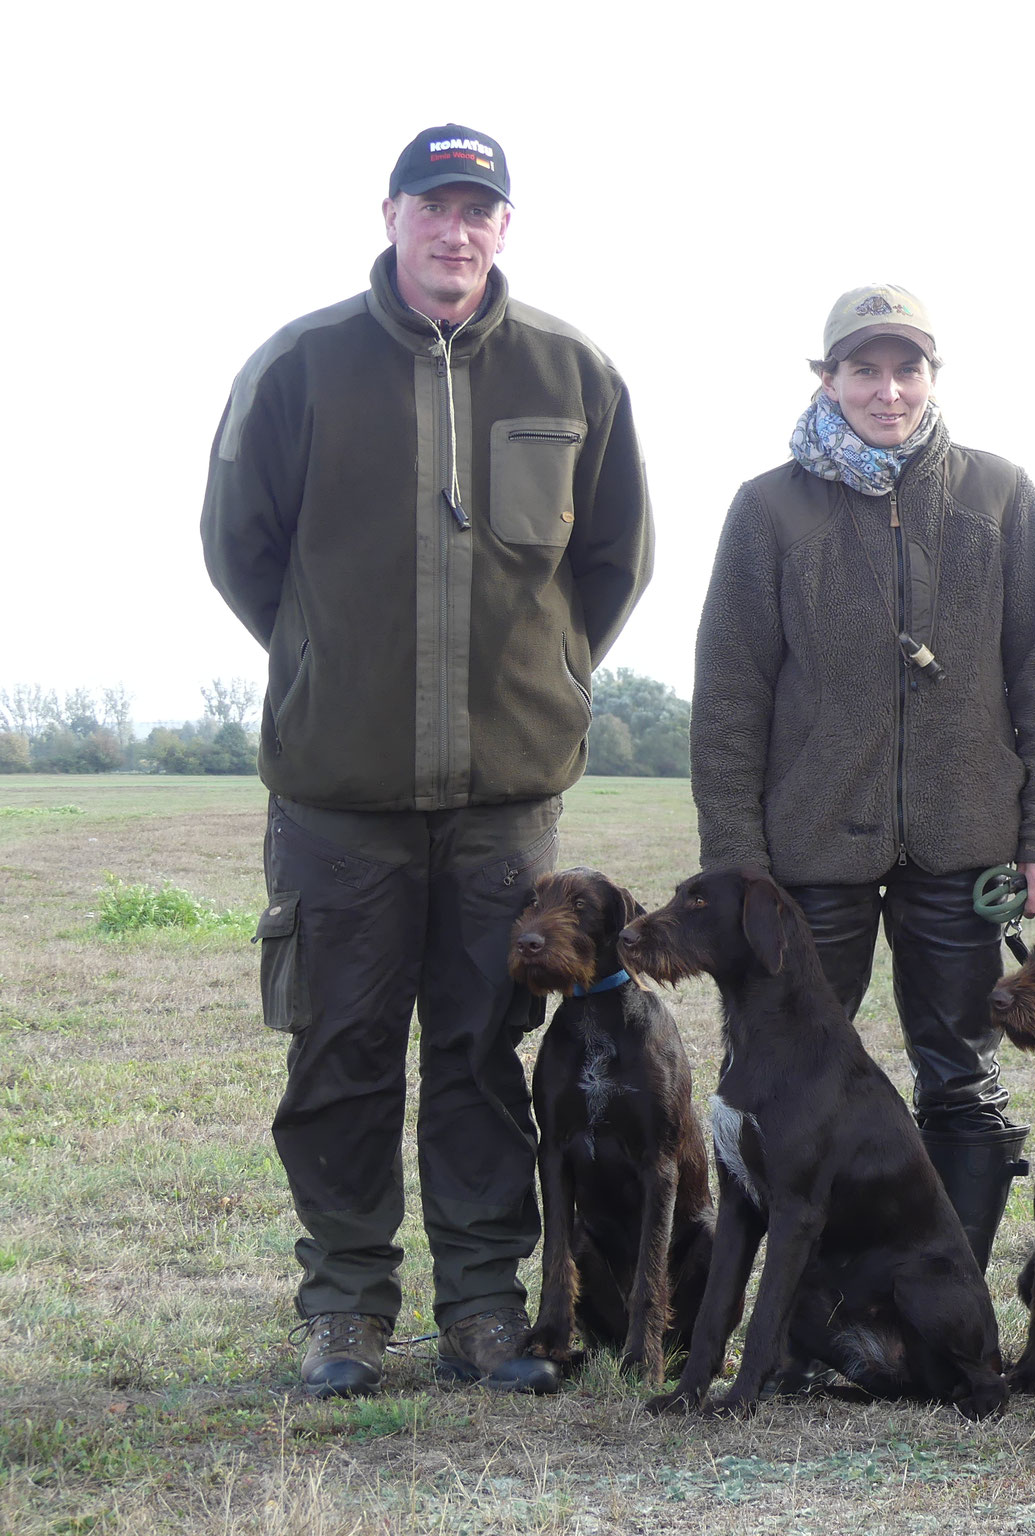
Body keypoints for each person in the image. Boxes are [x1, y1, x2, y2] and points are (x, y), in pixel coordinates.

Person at [201, 124, 654, 1398]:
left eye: (480, 210)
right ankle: (344, 1308)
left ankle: (482, 1313)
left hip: (507, 809)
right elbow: (241, 549)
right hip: (339, 801)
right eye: (434, 207)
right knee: (338, 1057)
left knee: (481, 1057)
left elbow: (611, 564)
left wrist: (547, 676)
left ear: (505, 228)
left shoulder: (573, 372)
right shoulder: (299, 368)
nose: (456, 231)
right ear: (389, 213)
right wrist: (327, 665)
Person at [691, 283, 1035, 1269]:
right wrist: (738, 864)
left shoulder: (998, 495)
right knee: (784, 1078)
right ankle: (815, 1307)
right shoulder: (767, 508)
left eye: (905, 367)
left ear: (931, 376)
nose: (886, 389)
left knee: (959, 1075)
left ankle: (943, 1298)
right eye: (862, 368)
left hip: (964, 845)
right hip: (808, 854)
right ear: (824, 378)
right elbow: (731, 693)